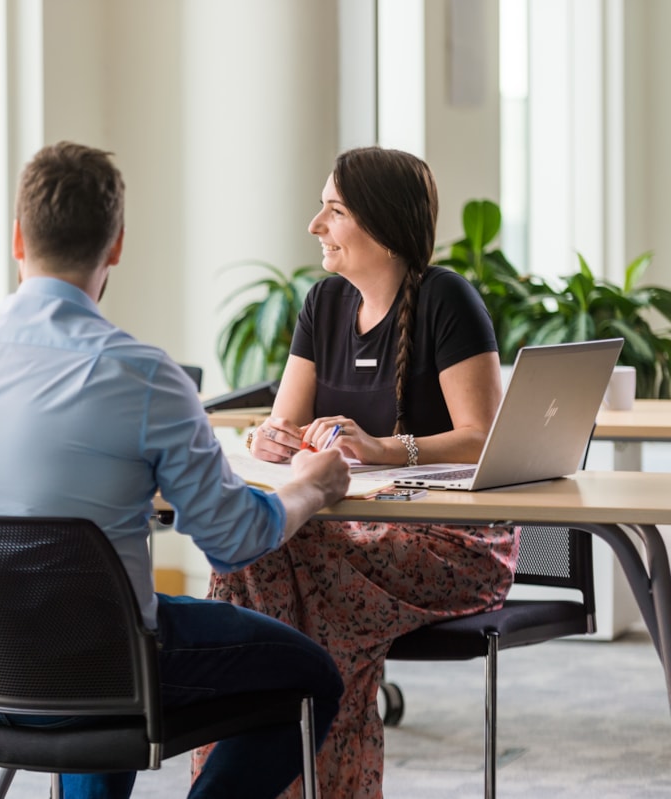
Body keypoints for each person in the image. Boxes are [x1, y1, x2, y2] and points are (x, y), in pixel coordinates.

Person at [0, 140, 351, 799]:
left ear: (17, 238)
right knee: (312, 675)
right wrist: (310, 487)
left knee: (106, 625)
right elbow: (232, 540)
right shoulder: (139, 373)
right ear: (116, 245)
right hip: (92, 669)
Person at [194, 146, 519, 798]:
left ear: (381, 223)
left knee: (284, 559)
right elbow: (280, 425)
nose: (315, 223)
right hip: (350, 535)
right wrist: (274, 437)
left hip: (457, 543)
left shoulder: (445, 299)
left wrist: (383, 447)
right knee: (253, 549)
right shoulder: (323, 304)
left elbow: (485, 438)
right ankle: (269, 764)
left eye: (334, 210)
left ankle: (269, 777)